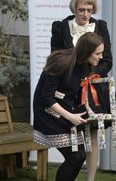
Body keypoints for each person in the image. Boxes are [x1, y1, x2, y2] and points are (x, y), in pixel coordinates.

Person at [50, 0, 113, 181]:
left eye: (89, 9)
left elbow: (107, 60)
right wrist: (73, 76)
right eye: (81, 9)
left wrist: (91, 76)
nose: (86, 14)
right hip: (68, 90)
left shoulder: (100, 26)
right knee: (73, 135)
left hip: (92, 88)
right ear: (74, 9)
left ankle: (91, 179)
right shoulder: (61, 27)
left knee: (92, 135)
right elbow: (55, 57)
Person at [33, 32, 104, 181]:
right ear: (87, 52)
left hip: (66, 110)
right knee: (75, 157)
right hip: (47, 112)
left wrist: (88, 111)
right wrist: (70, 116)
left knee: (79, 156)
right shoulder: (61, 62)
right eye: (98, 53)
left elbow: (77, 94)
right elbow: (46, 97)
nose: (101, 57)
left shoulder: (86, 66)